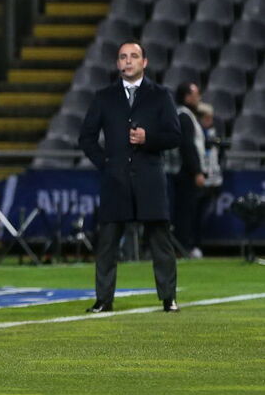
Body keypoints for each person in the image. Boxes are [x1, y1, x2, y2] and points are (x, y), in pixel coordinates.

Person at [78, 41, 182, 313]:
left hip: (150, 179)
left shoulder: (160, 95)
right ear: (117, 63)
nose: (128, 61)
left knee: (160, 242)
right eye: (123, 57)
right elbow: (86, 137)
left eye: (134, 56)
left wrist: (149, 139)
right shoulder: (104, 96)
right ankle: (103, 299)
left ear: (144, 62)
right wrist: (106, 164)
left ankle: (168, 298)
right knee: (108, 244)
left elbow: (175, 135)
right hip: (116, 180)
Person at [172, 82, 206, 258]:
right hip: (186, 173)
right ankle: (185, 246)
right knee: (186, 211)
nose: (198, 97)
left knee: (188, 210)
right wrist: (196, 171)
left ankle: (185, 245)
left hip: (186, 171)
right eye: (195, 94)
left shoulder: (189, 116)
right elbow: (187, 146)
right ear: (187, 97)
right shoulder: (184, 116)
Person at [192, 102, 223, 259]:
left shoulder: (213, 134)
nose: (210, 121)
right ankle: (193, 245)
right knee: (196, 215)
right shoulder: (197, 135)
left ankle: (198, 244)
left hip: (213, 179)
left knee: (204, 215)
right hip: (200, 179)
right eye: (207, 118)